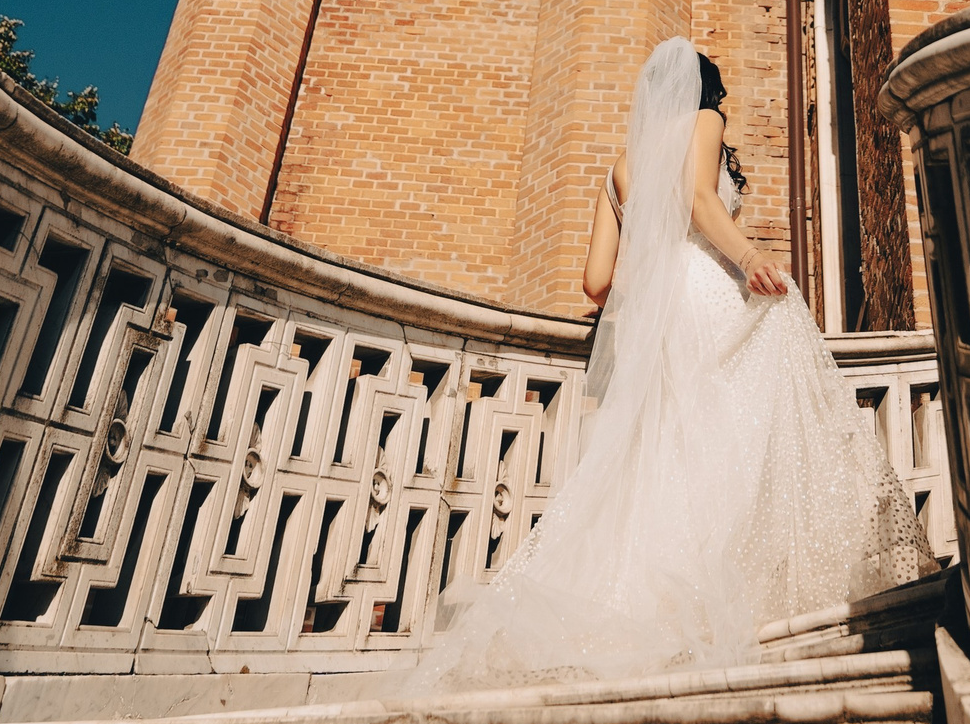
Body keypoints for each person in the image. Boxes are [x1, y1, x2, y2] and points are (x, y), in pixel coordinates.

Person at [398, 37, 934, 690]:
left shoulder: (619, 166)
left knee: (673, 450)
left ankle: (665, 598)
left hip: (660, 310)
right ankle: (739, 585)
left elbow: (595, 281)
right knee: (745, 422)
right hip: (705, 288)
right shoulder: (704, 122)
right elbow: (702, 199)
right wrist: (750, 259)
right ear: (704, 92)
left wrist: (653, 277)